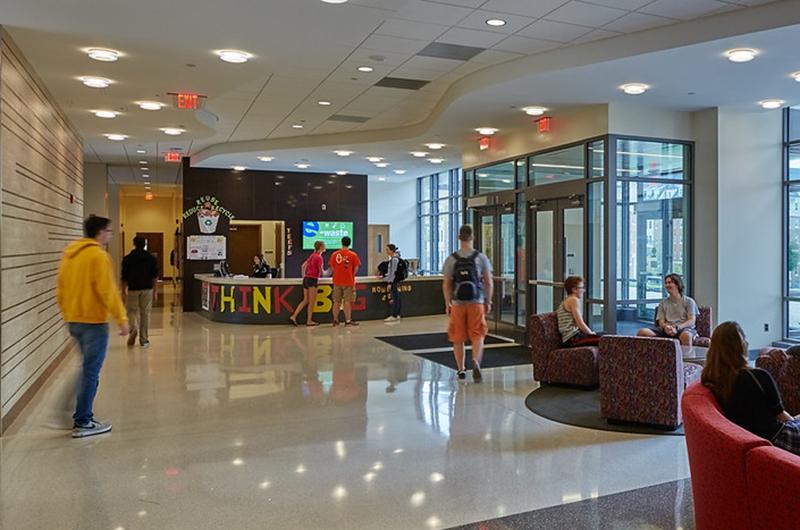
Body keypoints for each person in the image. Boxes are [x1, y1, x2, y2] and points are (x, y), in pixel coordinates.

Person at [56, 215, 129, 438]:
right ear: (100, 232)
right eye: (108, 231)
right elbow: (108, 290)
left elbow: (60, 287)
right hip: (93, 323)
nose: (109, 235)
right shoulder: (98, 256)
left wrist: (68, 313)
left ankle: (76, 411)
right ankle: (82, 420)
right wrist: (122, 318)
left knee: (87, 368)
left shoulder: (70, 254)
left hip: (74, 321)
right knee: (91, 371)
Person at [702, 321, 800, 456]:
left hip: (752, 439)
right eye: (745, 339)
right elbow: (783, 417)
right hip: (777, 440)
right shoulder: (758, 376)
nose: (747, 343)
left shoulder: (711, 380)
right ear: (740, 345)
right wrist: (795, 423)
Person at [442, 224, 493, 382]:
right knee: (477, 334)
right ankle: (476, 361)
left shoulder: (452, 259)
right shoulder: (480, 257)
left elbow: (446, 284)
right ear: (472, 237)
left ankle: (460, 369)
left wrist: (447, 303)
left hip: (457, 303)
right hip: (476, 301)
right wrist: (488, 301)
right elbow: (488, 282)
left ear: (459, 237)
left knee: (458, 337)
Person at [637, 273, 698, 346]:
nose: (667, 285)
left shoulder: (689, 301)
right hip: (667, 329)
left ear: (677, 284)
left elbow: (691, 321)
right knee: (642, 332)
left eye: (669, 283)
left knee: (686, 336)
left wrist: (677, 327)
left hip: (683, 328)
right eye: (666, 283)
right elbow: (661, 322)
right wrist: (666, 327)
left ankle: (686, 357)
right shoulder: (663, 303)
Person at [121, 235, 159, 348]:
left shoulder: (127, 258)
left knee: (131, 311)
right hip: (147, 289)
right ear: (145, 244)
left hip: (133, 288)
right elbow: (155, 276)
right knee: (145, 314)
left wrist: (123, 291)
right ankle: (144, 340)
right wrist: (155, 291)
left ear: (134, 244)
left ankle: (133, 328)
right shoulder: (151, 258)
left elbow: (124, 277)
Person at [556, 276, 604, 347]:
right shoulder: (573, 300)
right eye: (581, 288)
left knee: (605, 335)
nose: (584, 290)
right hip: (572, 339)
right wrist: (591, 334)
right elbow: (580, 323)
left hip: (572, 338)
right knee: (606, 340)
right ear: (574, 289)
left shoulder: (567, 300)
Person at [291, 240, 326, 327]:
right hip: (313, 280)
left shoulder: (312, 255)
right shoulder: (319, 258)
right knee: (312, 302)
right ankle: (309, 320)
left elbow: (303, 265)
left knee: (305, 300)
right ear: (321, 247)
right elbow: (322, 272)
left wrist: (303, 276)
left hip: (306, 279)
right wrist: (329, 271)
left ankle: (294, 316)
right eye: (324, 246)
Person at [329, 236, 361, 327]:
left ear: (341, 243)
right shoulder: (353, 255)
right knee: (347, 302)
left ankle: (335, 320)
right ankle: (347, 321)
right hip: (349, 281)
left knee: (336, 301)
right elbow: (356, 268)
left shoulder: (334, 254)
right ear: (349, 243)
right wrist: (350, 275)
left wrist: (337, 273)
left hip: (337, 281)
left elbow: (332, 267)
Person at [384, 243, 403, 322]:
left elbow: (393, 272)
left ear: (391, 250)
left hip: (394, 281)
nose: (386, 251)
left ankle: (394, 315)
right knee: (397, 298)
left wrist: (390, 283)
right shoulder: (395, 258)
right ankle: (397, 314)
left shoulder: (394, 259)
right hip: (396, 281)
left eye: (387, 250)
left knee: (395, 298)